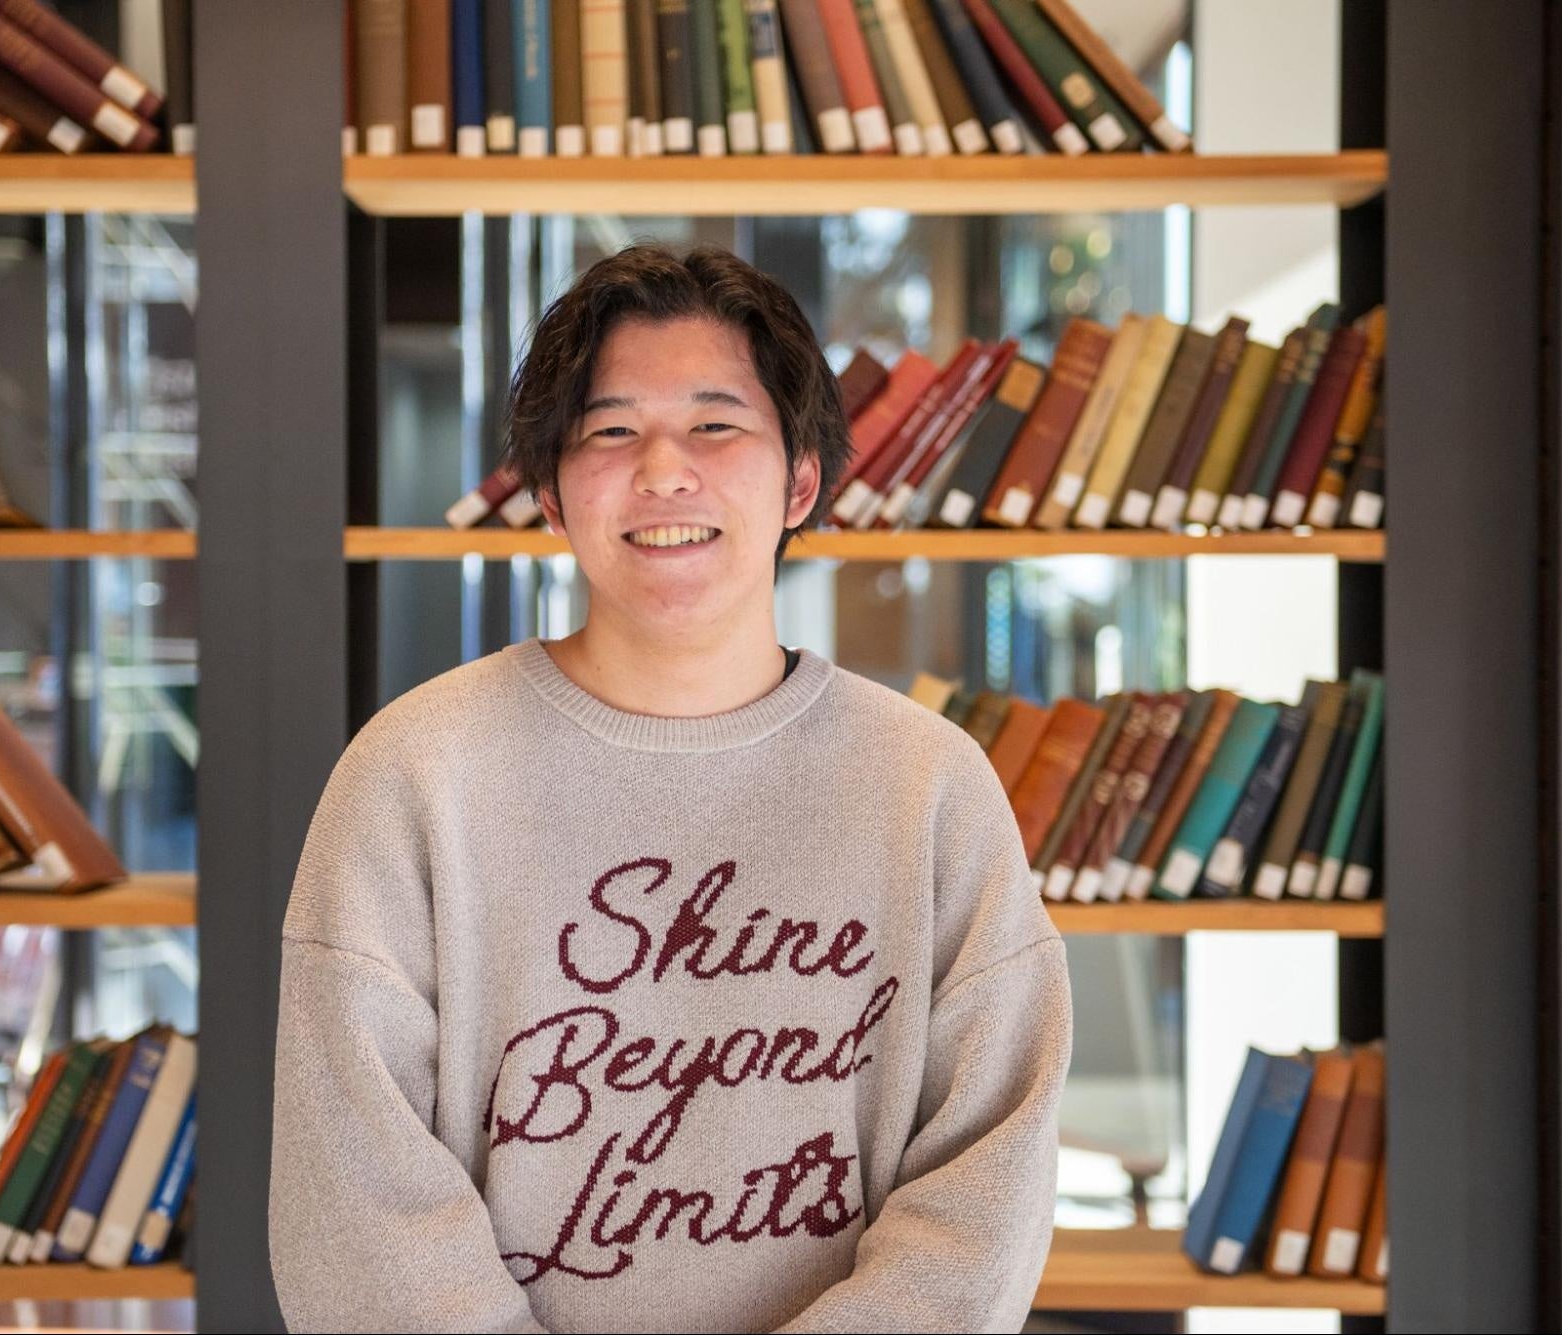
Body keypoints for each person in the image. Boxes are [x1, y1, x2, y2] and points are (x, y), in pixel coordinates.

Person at [269, 243, 1071, 1333]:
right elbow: (355, 1200)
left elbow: (986, 1187)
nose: (662, 472)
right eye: (609, 432)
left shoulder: (929, 786)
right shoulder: (413, 774)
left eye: (714, 424)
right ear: (550, 494)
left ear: (799, 481)